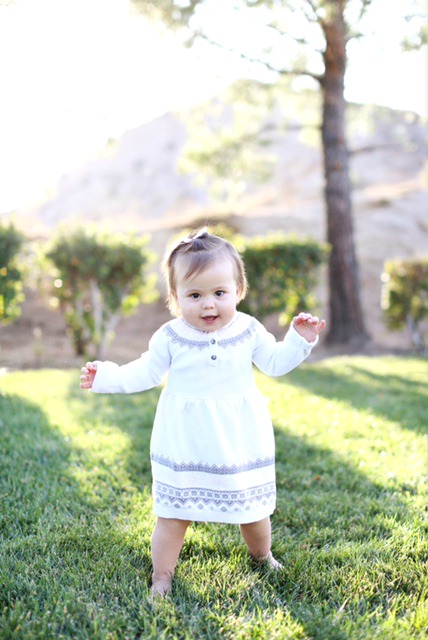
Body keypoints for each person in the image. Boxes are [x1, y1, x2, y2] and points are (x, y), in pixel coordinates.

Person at [80, 229, 326, 597]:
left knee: (252, 509)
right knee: (174, 512)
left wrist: (298, 340)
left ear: (238, 289)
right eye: (194, 295)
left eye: (219, 293)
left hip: (238, 435)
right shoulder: (170, 335)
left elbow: (274, 363)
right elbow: (145, 371)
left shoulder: (247, 329)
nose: (208, 304)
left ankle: (263, 556)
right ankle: (161, 575)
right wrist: (107, 376)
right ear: (176, 297)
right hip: (185, 437)